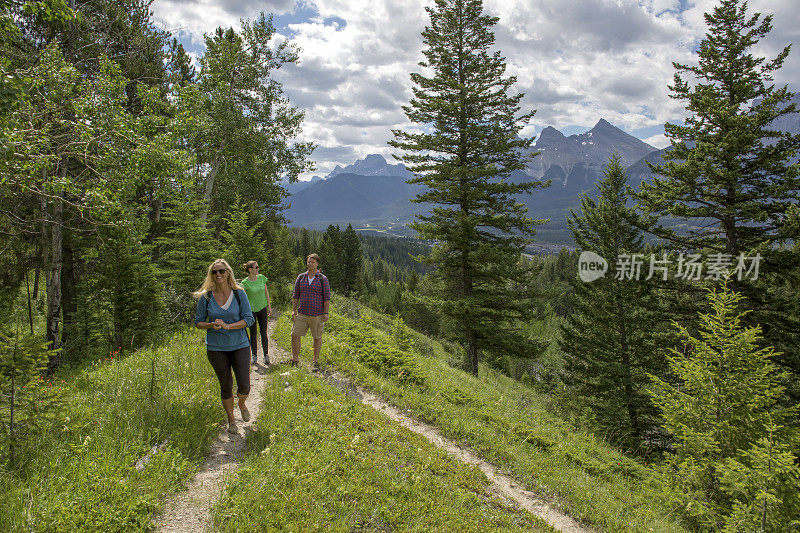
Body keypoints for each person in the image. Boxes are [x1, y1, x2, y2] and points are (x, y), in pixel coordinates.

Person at [194, 259, 255, 434]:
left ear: (228, 272)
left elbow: (249, 319)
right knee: (225, 385)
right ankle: (231, 420)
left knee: (244, 385)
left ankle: (241, 403)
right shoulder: (206, 297)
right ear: (211, 275)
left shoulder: (239, 294)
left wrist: (229, 326)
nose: (218, 274)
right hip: (216, 348)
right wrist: (210, 325)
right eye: (214, 272)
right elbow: (198, 322)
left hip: (240, 344)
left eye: (221, 271)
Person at [291, 253, 330, 369]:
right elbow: (296, 294)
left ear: (317, 264)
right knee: (294, 335)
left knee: (317, 337)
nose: (310, 264)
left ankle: (315, 361)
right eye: (309, 262)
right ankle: (295, 360)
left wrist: (326, 313)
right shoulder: (301, 277)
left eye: (313, 262)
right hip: (302, 313)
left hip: (317, 314)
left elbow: (326, 297)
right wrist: (294, 310)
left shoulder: (323, 279)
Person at [241, 260, 272, 367]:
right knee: (253, 333)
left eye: (258, 267)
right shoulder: (245, 283)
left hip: (262, 308)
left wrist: (269, 307)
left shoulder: (262, 278)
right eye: (256, 267)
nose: (258, 269)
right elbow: (243, 299)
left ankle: (266, 355)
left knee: (264, 332)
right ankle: (254, 356)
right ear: (250, 270)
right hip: (251, 311)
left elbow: (266, 293)